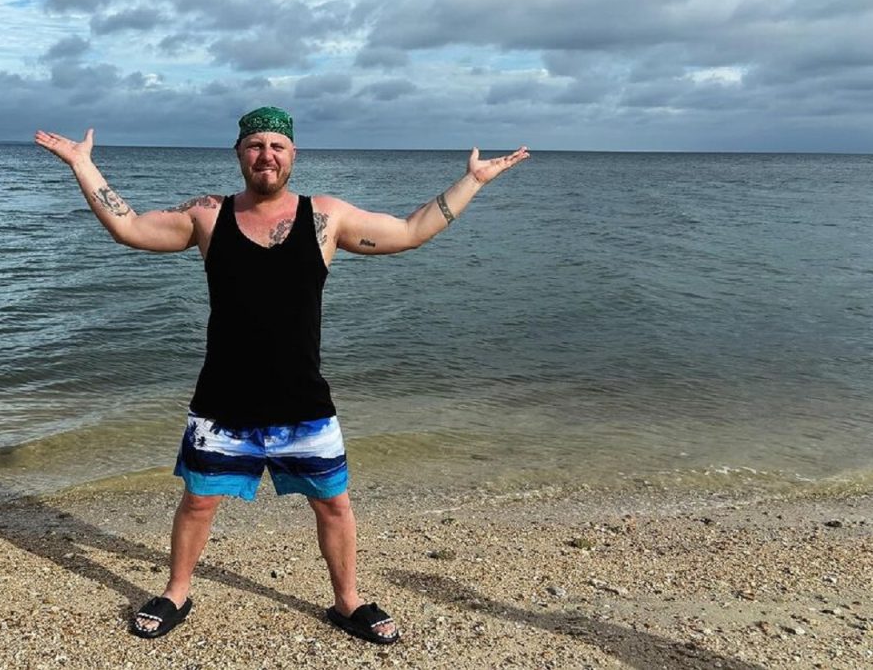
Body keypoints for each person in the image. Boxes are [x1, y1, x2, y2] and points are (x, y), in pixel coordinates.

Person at [35, 107, 529, 644]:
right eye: (255, 145)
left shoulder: (326, 217)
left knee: (334, 504)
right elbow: (128, 227)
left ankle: (347, 600)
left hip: (303, 401)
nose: (266, 155)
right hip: (222, 401)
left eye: (277, 145)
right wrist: (82, 164)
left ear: (293, 154)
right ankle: (177, 591)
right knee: (198, 501)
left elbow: (410, 231)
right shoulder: (208, 215)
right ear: (239, 154)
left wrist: (472, 181)